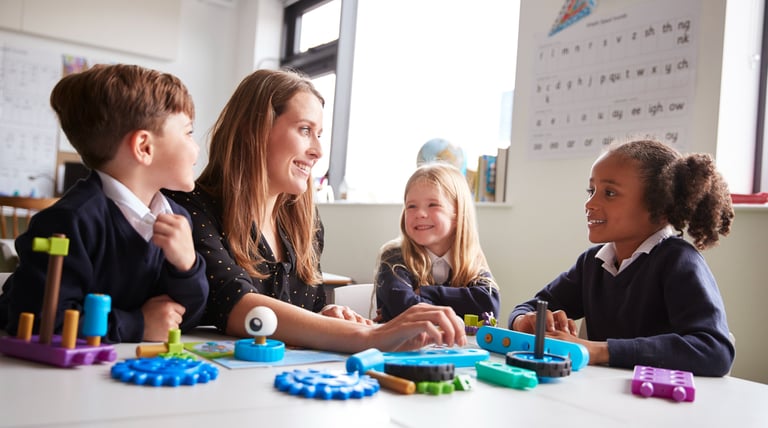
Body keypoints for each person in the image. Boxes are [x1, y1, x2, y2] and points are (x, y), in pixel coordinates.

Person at [165, 68, 466, 353]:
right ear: (255, 131)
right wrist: (371, 336)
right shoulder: (191, 208)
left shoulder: (303, 223)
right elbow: (237, 305)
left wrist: (326, 313)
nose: (318, 151)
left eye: (318, 134)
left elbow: (305, 311)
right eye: (305, 129)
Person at [0, 64, 209, 343]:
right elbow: (41, 321)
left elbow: (185, 318)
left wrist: (187, 266)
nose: (196, 147)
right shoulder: (69, 221)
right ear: (144, 147)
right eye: (188, 132)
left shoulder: (176, 218)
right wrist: (138, 324)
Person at [508, 139, 735, 376]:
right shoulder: (593, 263)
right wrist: (524, 320)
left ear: (659, 206)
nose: (590, 203)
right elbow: (529, 306)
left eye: (610, 193)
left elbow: (715, 351)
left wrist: (598, 351)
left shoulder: (679, 262)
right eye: (591, 191)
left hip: (660, 406)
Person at [374, 163, 500, 322]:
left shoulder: (471, 261)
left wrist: (426, 293)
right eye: (411, 206)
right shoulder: (394, 258)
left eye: (433, 204)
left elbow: (488, 305)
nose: (419, 213)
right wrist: (462, 306)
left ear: (457, 214)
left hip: (455, 347)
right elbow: (403, 307)